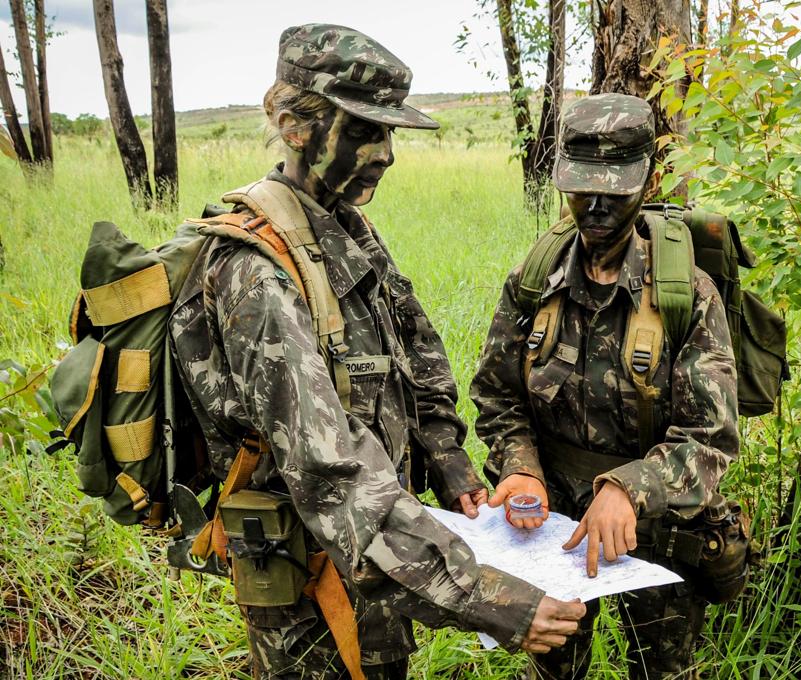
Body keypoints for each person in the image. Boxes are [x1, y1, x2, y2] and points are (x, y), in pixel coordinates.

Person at [169, 24, 585, 680]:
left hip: (383, 560)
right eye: (365, 130)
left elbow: (415, 357)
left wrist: (455, 474)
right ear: (294, 125)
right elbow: (328, 470)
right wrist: (497, 602)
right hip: (308, 592)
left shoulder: (343, 225)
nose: (386, 153)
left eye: (388, 133)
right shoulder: (256, 274)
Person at [471, 93, 740, 680]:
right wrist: (520, 467)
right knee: (551, 667)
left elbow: (710, 437)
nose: (594, 204)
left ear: (647, 180)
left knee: (663, 670)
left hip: (658, 523)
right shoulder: (535, 279)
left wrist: (629, 488)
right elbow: (496, 396)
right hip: (549, 527)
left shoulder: (685, 294)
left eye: (613, 188)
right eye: (580, 187)